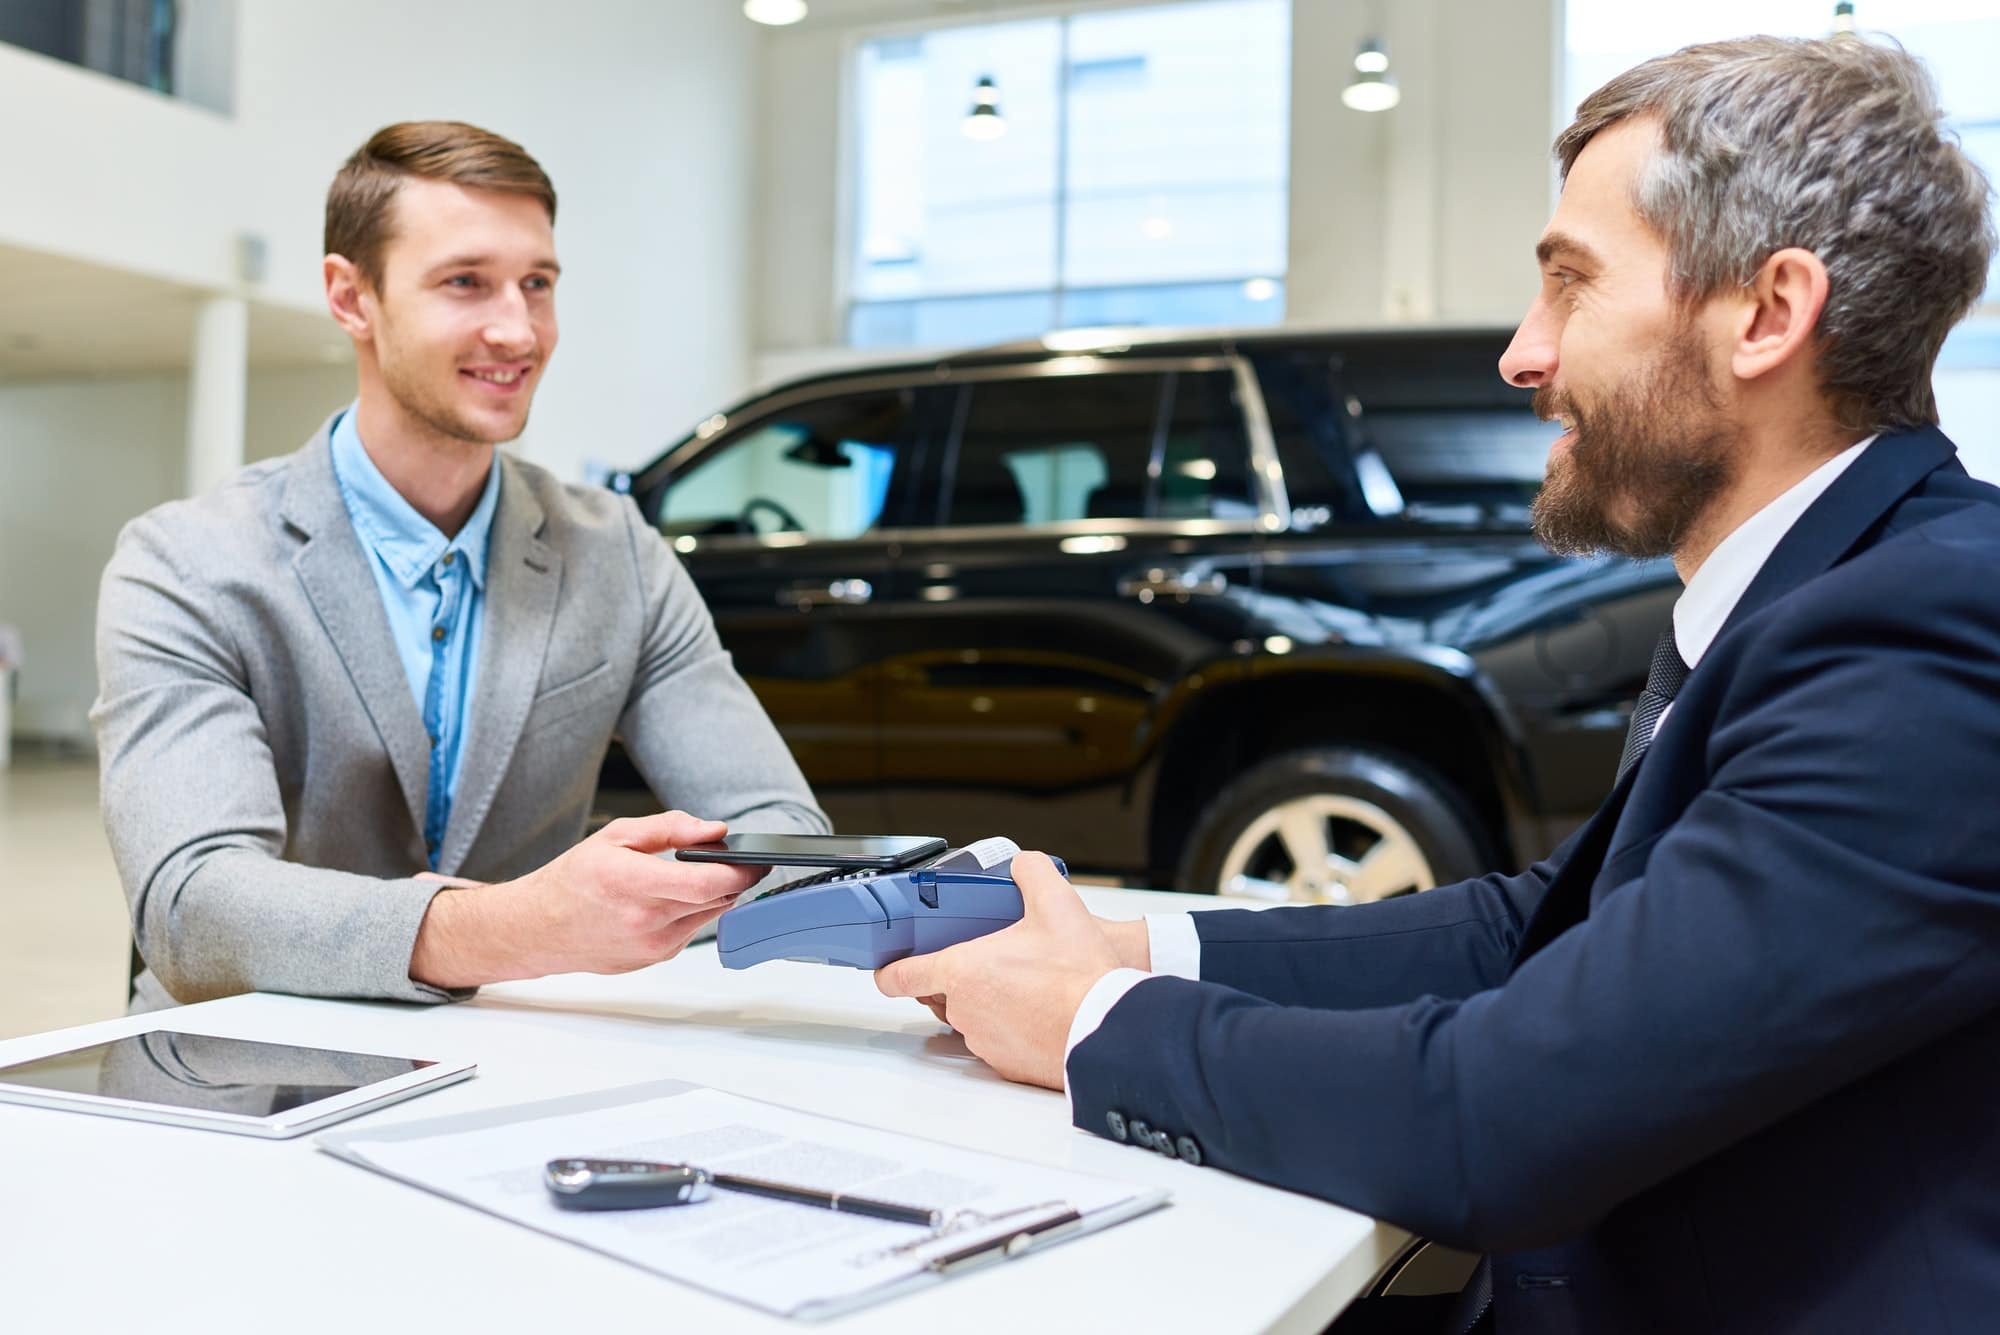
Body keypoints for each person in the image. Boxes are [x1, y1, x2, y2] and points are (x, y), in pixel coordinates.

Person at [875, 36, 2000, 1334]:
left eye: (1571, 285)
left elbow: (1506, 1112)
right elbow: (1542, 925)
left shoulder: (1931, 630)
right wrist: (1136, 940)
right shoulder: (1825, 583)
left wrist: (1092, 1019)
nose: (1524, 353)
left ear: (1766, 313)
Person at [93, 121, 827, 1013]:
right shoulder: (186, 563)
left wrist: (632, 907)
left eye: (538, 284)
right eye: (465, 282)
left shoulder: (617, 552)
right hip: (244, 1068)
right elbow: (192, 904)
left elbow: (785, 839)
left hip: (525, 1061)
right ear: (351, 296)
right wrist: (524, 926)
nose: (516, 329)